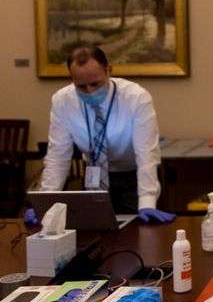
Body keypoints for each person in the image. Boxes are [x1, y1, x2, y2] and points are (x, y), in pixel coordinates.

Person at [25, 46, 174, 224]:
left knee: (133, 238)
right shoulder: (63, 101)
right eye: (81, 86)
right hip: (94, 176)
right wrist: (45, 202)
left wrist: (147, 202)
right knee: (94, 230)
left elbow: (146, 154)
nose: (89, 91)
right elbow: (58, 157)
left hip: (133, 177)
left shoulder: (136, 97)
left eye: (95, 84)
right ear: (71, 79)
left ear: (108, 70)